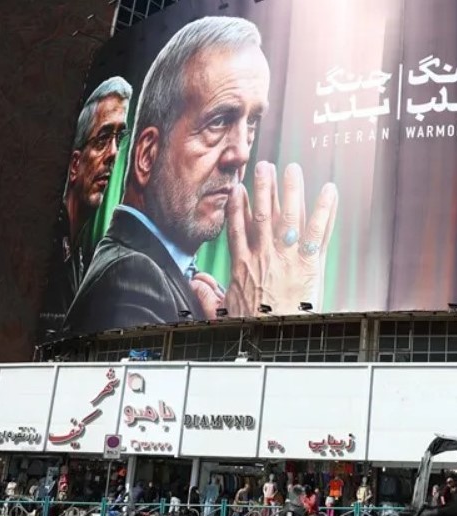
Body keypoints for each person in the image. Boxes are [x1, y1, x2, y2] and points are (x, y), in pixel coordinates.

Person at [63, 17, 339, 334]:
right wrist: (270, 325)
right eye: (218, 121)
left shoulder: (160, 273)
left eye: (251, 123)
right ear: (146, 155)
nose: (241, 154)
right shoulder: (133, 277)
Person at [41, 77, 133, 332]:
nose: (113, 154)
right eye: (102, 139)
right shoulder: (47, 246)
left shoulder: (77, 253)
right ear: (74, 165)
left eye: (119, 137)